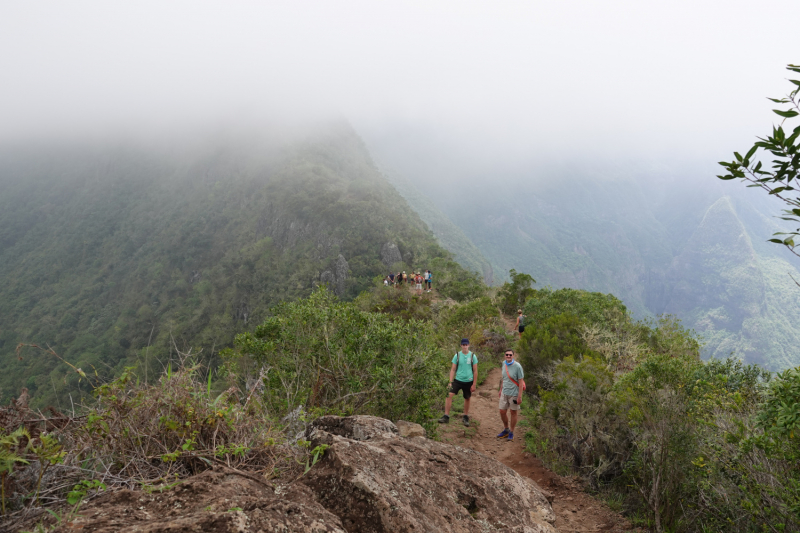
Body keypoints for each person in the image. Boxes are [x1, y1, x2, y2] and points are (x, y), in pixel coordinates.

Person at [439, 338, 478, 426]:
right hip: (458, 380)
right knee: (449, 395)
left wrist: (474, 384)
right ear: (461, 345)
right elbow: (453, 369)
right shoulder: (457, 355)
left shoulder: (472, 356)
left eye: (466, 345)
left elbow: (475, 371)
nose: (465, 346)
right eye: (463, 345)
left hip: (468, 381)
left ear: (468, 345)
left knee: (467, 398)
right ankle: (446, 416)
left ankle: (465, 416)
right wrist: (450, 382)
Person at [497, 350, 525, 441]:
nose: (508, 356)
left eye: (510, 355)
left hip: (514, 393)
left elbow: (521, 382)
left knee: (513, 412)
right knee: (502, 411)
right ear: (504, 355)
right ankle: (506, 429)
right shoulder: (503, 364)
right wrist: (500, 389)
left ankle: (511, 432)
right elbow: (504, 378)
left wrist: (519, 396)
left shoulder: (517, 366)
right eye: (507, 354)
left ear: (513, 355)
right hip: (505, 392)